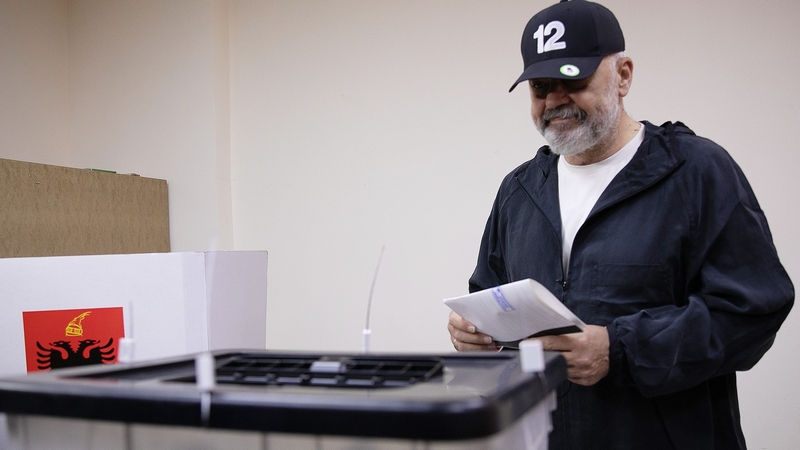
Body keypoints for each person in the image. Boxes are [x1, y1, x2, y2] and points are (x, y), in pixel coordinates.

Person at [446, 1, 794, 449]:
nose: (555, 100)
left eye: (573, 79)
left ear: (623, 75)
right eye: (540, 86)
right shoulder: (519, 191)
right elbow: (490, 298)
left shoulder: (696, 172)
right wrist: (475, 335)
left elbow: (752, 312)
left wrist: (621, 350)